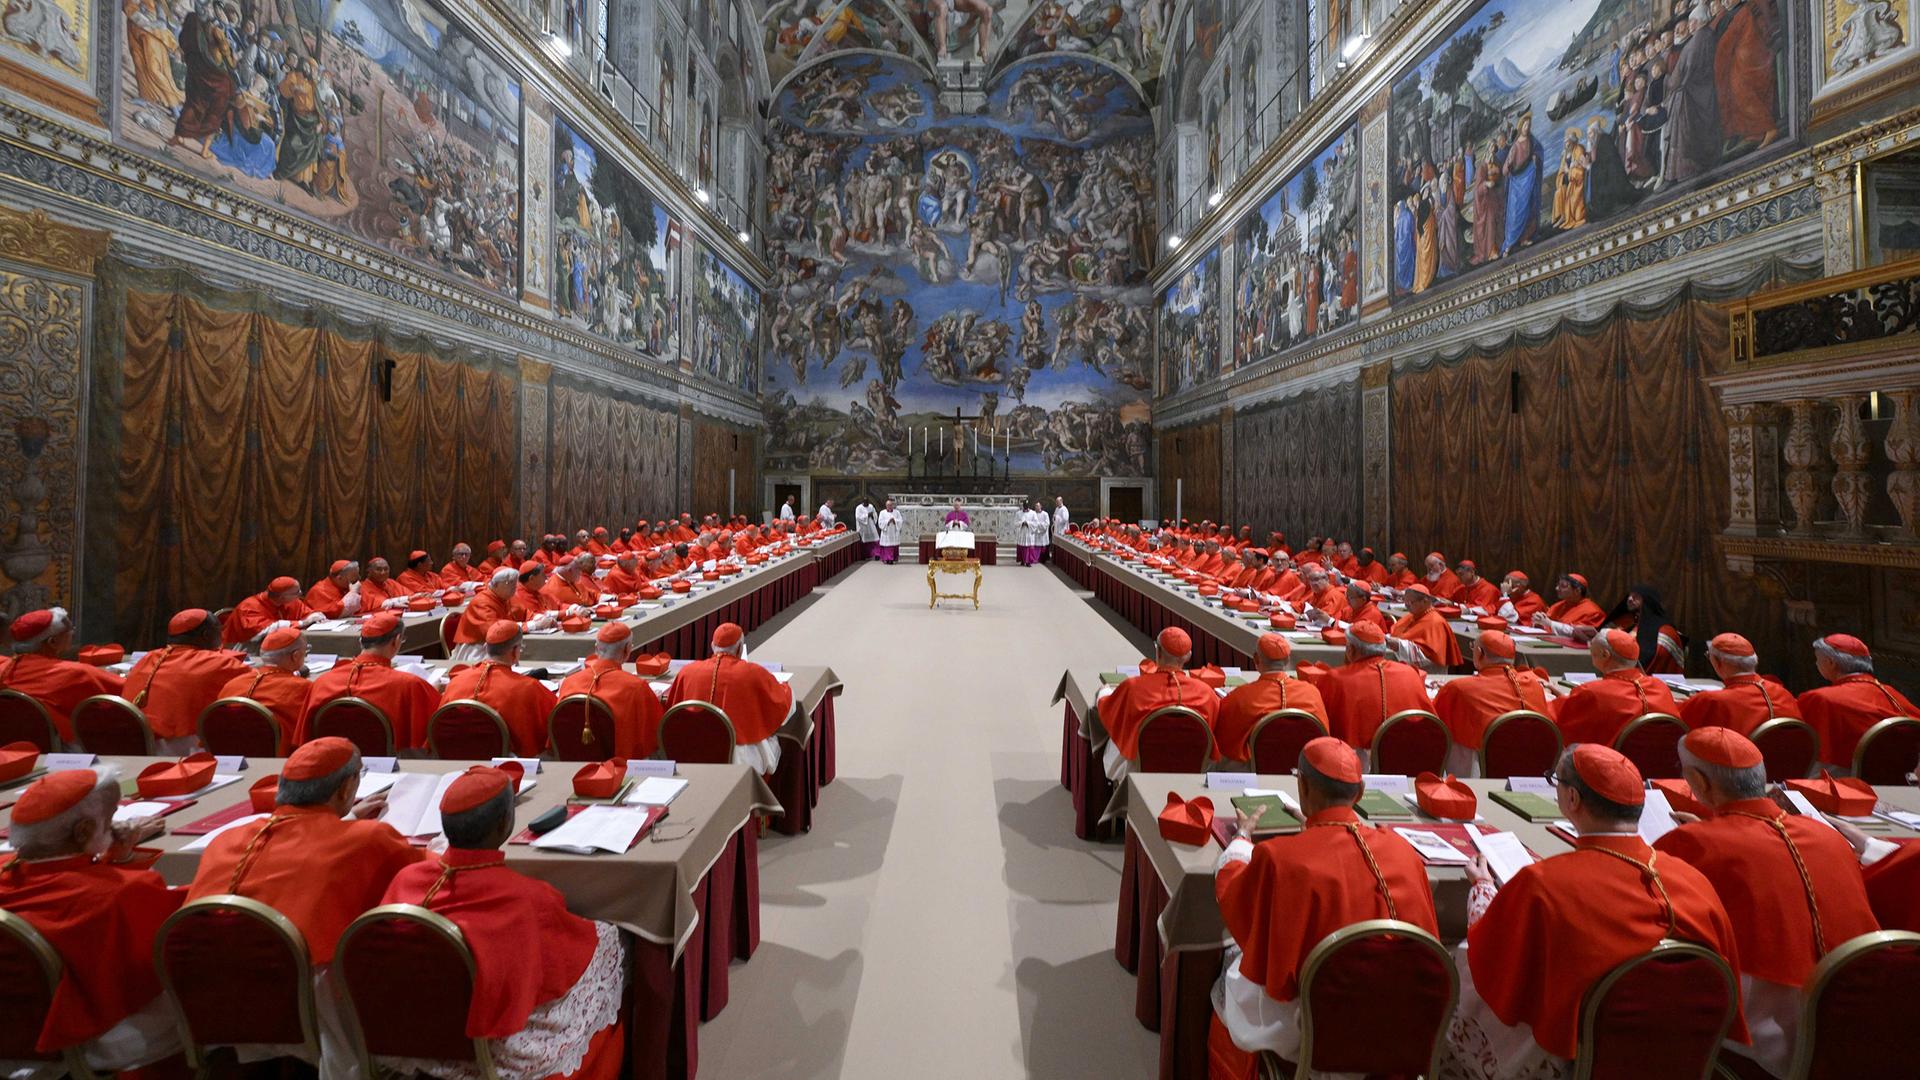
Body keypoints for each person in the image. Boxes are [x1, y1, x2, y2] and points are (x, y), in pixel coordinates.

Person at [1445, 745, 1745, 1079]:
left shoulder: (1543, 883)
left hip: (1579, 1059)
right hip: (1680, 1057)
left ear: (1572, 799)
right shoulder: (1695, 881)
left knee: (1459, 959)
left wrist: (1483, 887)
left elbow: (1493, 960)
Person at [1652, 728, 1879, 1075]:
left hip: (1767, 1040)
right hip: (1858, 1025)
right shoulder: (1828, 837)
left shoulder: (1694, 844)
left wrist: (1701, 834)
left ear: (1697, 780)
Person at [378, 767, 627, 1080]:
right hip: (488, 1047)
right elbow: (566, 961)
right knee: (608, 941)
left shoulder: (407, 879)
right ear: (503, 825)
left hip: (417, 1034)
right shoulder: (527, 898)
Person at [1209, 738, 1439, 1077]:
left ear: (1301, 786)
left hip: (1316, 1032)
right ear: (1359, 794)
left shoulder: (1280, 858)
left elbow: (1234, 895)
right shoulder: (1403, 852)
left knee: (1229, 964)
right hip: (1397, 1025)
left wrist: (1241, 841)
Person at [0, 768, 182, 1074]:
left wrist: (115, 857)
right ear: (83, 831)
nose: (116, 826)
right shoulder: (122, 893)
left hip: (12, 1032)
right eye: (110, 819)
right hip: (84, 1038)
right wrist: (127, 868)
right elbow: (164, 949)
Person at [665, 622, 793, 775]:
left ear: (713, 646)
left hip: (690, 753)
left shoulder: (687, 672)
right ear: (740, 648)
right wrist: (784, 686)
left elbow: (670, 711)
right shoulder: (753, 672)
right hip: (736, 759)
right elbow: (780, 703)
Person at [298, 612, 440, 749]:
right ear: (396, 641)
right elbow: (436, 729)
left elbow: (305, 737)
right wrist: (432, 689)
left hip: (332, 763)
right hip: (390, 767)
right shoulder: (409, 685)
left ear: (361, 641)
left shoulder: (322, 682)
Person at [1096, 627, 1220, 780]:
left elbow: (1108, 710)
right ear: (1187, 657)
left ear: (1158, 652)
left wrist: (1103, 693)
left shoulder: (1132, 687)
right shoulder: (1206, 693)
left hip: (1138, 770)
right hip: (1193, 770)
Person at [122, 609, 251, 754]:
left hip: (136, 744)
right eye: (219, 630)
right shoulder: (219, 662)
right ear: (206, 635)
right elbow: (255, 686)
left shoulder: (147, 658)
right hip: (184, 749)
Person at [1433, 631, 1553, 777]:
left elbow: (1433, 722)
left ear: (1479, 653)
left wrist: (1447, 690)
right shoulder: (1534, 686)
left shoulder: (1459, 688)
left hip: (1483, 771)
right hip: (1534, 769)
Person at [0, 608, 124, 745]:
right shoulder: (76, 674)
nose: (73, 633)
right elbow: (131, 691)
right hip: (66, 749)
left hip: (12, 748)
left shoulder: (5, 668)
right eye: (70, 630)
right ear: (52, 642)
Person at [1796, 633, 1919, 770]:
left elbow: (1796, 743)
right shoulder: (1891, 692)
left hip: (1843, 781)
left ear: (1831, 663)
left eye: (1817, 659)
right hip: (1901, 782)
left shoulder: (1820, 698)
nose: (1816, 664)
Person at [441, 622, 561, 757]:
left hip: (455, 760)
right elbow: (557, 721)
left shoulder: (456, 682)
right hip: (507, 765)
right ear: (515, 652)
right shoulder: (528, 687)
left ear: (486, 648)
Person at [1319, 622, 1432, 756]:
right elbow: (1429, 725)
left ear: (1350, 650)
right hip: (1407, 756)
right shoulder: (1410, 673)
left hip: (1353, 760)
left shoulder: (1336, 678)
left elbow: (1321, 725)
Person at [1212, 633, 1328, 763]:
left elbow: (1223, 739)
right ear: (1288, 660)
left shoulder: (1241, 696)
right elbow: (1324, 737)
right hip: (1305, 766)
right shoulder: (1312, 692)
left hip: (1254, 768)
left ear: (1256, 658)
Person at [555, 622, 664, 760]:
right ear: (626, 650)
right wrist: (652, 699)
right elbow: (657, 735)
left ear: (596, 649)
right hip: (619, 764)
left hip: (573, 761)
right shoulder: (636, 687)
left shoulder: (569, 682)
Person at [1556, 629, 1681, 746]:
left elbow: (1558, 721)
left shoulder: (1592, 691)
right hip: (1661, 765)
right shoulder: (1660, 687)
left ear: (1605, 655)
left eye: (1592, 651)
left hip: (1609, 764)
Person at [1678, 633, 1800, 735]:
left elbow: (1676, 723)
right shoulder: (1783, 693)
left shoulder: (1712, 701)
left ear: (1719, 663)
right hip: (1786, 763)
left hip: (1733, 762)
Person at [214, 625, 313, 750]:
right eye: (306, 652)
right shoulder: (304, 688)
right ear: (295, 655)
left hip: (227, 755)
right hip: (279, 760)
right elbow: (309, 732)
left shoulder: (232, 684)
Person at [453, 567, 559, 665]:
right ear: (496, 584)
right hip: (479, 649)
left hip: (506, 645)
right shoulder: (481, 602)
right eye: (509, 582)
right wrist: (534, 625)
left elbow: (525, 613)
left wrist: (540, 618)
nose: (514, 587)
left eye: (515, 582)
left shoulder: (508, 597)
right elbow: (496, 631)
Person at [1605, 585, 1687, 673]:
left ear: (1648, 601)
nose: (1630, 599)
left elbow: (1659, 661)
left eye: (1635, 597)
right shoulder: (1627, 623)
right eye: (1629, 596)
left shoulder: (1665, 630)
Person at [222, 576, 323, 645]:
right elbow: (263, 631)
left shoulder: (290, 600)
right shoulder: (249, 607)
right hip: (246, 648)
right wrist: (302, 623)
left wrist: (315, 616)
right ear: (282, 597)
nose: (300, 593)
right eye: (297, 592)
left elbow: (308, 613)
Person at [1389, 584, 1463, 670]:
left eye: (1410, 603)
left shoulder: (1436, 622)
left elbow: (1428, 657)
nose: (1406, 606)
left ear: (1424, 601)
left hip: (1427, 671)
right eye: (1405, 601)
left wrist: (1399, 645)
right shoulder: (1412, 615)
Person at [1533, 572, 1605, 639]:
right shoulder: (1558, 605)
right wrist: (1540, 622)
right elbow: (1548, 626)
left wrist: (1550, 623)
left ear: (1577, 591)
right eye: (1558, 585)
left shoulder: (1593, 612)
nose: (1557, 588)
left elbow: (1577, 634)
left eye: (1563, 586)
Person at [1017, 499, 1048, 566]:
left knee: (1029, 547)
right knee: (1022, 547)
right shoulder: (1018, 513)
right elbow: (1015, 522)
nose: (1025, 506)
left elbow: (1036, 523)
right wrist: (1022, 523)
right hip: (1022, 532)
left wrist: (1028, 523)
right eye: (1024, 505)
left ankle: (1028, 561)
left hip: (1029, 532)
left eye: (1026, 505)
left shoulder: (1033, 513)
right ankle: (1022, 560)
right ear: (1023, 505)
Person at [875, 498, 903, 563]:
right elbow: (880, 522)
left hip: (894, 532)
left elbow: (900, 521)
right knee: (887, 546)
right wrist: (887, 521)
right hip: (886, 532)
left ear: (892, 505)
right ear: (886, 506)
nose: (889, 506)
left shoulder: (897, 512)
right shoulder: (882, 512)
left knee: (893, 545)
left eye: (890, 505)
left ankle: (893, 559)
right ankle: (887, 559)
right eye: (888, 505)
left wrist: (894, 521)